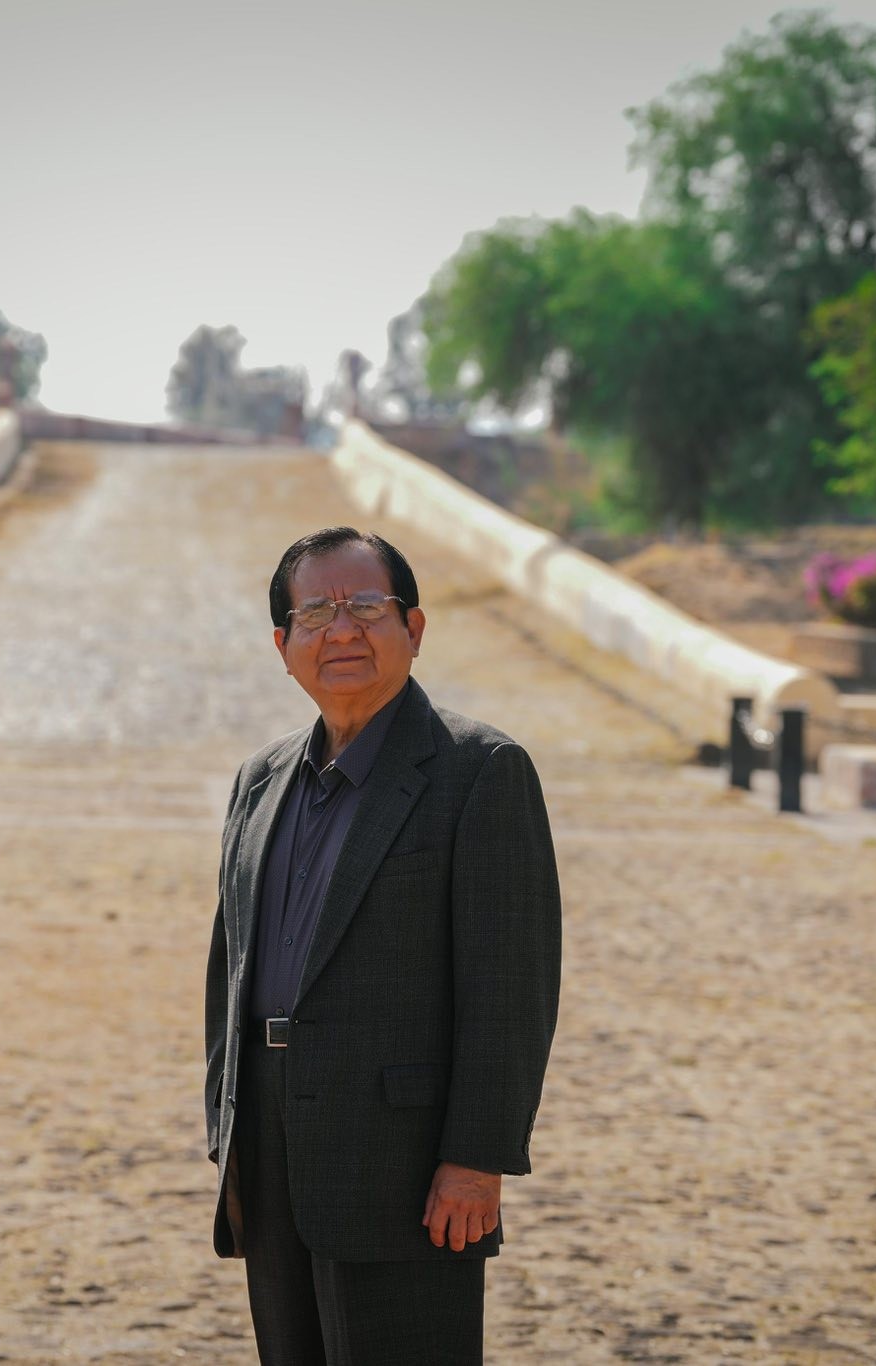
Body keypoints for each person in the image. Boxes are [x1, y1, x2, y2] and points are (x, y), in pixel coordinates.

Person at [203, 525, 563, 1365]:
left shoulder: (481, 772)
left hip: (405, 1163)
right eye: (316, 612)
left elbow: (510, 986)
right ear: (282, 645)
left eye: (367, 605)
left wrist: (477, 1158)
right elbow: (232, 961)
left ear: (416, 628)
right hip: (268, 1137)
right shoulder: (259, 781)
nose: (343, 631)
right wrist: (228, 1121)